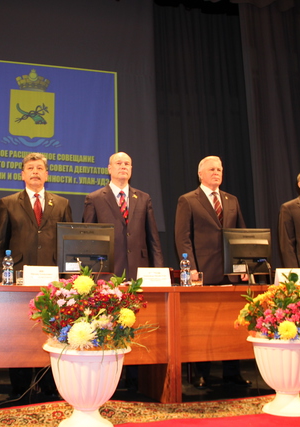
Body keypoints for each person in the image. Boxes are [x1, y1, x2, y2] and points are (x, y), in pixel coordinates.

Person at [0, 152, 72, 399]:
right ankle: (19, 387)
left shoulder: (62, 204)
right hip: (18, 278)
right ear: (22, 174)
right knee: (19, 333)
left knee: (52, 330)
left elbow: (68, 244)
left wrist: (67, 281)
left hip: (52, 281)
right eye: (30, 168)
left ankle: (50, 386)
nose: (35, 172)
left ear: (47, 175)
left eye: (39, 168)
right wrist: (2, 276)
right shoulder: (8, 203)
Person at [174, 155, 251, 389]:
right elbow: (183, 238)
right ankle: (201, 373)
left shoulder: (231, 200)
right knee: (203, 325)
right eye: (211, 169)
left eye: (219, 169)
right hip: (203, 272)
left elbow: (241, 235)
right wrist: (191, 267)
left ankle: (232, 373)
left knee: (233, 323)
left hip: (230, 273)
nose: (216, 173)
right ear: (200, 174)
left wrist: (244, 265)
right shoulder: (188, 200)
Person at [83, 152, 164, 279]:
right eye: (119, 163)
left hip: (139, 270)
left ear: (131, 169)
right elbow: (87, 239)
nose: (123, 166)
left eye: (127, 164)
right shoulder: (94, 199)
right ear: (109, 168)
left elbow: (153, 239)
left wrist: (159, 271)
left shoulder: (144, 198)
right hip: (107, 272)